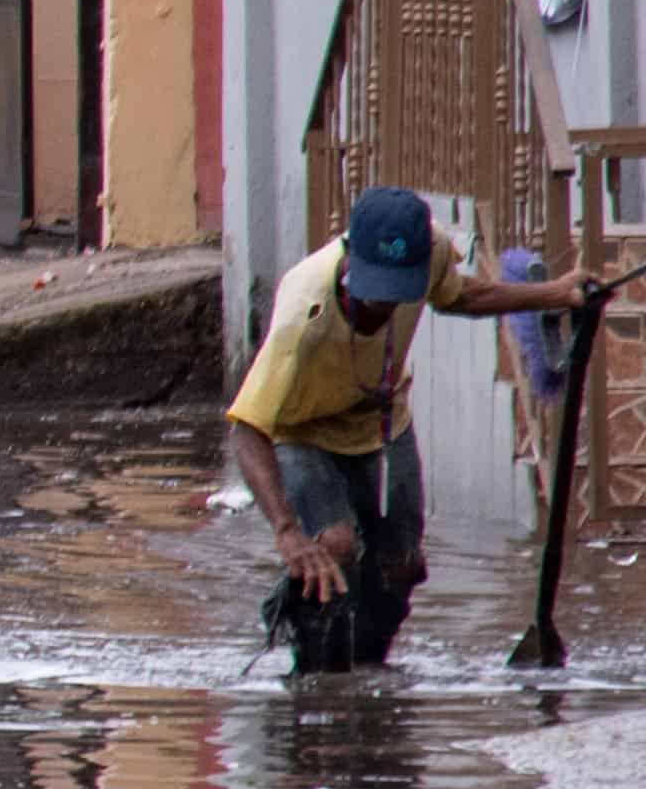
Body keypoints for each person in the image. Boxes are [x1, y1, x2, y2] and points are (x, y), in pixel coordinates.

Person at [225, 184, 600, 671]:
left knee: (401, 563)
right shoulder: (305, 311)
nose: (385, 307)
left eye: (399, 293)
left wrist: (554, 293)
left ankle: (370, 674)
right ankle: (315, 670)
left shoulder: (434, 249)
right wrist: (287, 532)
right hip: (304, 433)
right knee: (337, 546)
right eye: (376, 293)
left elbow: (460, 293)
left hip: (382, 419)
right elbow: (247, 428)